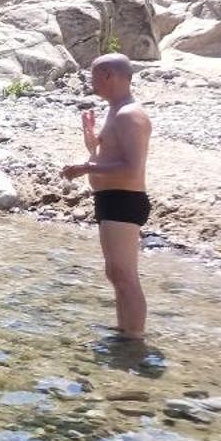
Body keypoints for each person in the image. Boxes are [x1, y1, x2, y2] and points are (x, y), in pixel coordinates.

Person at [62, 54, 153, 339]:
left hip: (124, 200)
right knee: (116, 273)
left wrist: (85, 167)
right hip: (111, 199)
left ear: (108, 75)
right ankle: (124, 331)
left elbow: (132, 168)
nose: (91, 83)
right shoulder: (115, 110)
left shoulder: (130, 114)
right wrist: (92, 144)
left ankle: (134, 339)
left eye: (93, 76)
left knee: (125, 275)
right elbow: (110, 155)